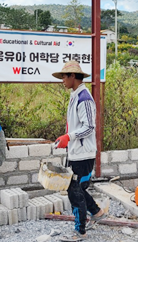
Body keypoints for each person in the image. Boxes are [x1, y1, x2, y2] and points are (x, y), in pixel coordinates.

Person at [52, 60, 106, 242]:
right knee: (78, 188)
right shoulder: (75, 95)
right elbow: (76, 125)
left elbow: (89, 127)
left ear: (73, 76)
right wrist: (66, 139)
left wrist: (69, 137)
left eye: (64, 77)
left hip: (84, 154)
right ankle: (97, 212)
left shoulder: (84, 98)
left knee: (75, 192)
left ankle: (80, 231)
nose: (62, 81)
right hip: (76, 152)